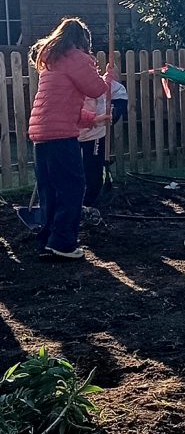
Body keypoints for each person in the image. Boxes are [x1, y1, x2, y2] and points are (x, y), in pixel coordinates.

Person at [28, 18, 113, 259]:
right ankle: (63, 243)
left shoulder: (52, 61)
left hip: (41, 135)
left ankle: (48, 240)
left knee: (50, 190)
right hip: (61, 137)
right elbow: (96, 89)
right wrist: (108, 78)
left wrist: (93, 120)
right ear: (82, 40)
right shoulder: (76, 57)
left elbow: (62, 106)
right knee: (72, 188)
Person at [79, 79, 128, 216]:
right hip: (71, 132)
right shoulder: (67, 83)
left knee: (92, 169)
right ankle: (75, 202)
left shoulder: (100, 82)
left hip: (95, 132)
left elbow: (119, 93)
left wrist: (114, 111)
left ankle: (90, 203)